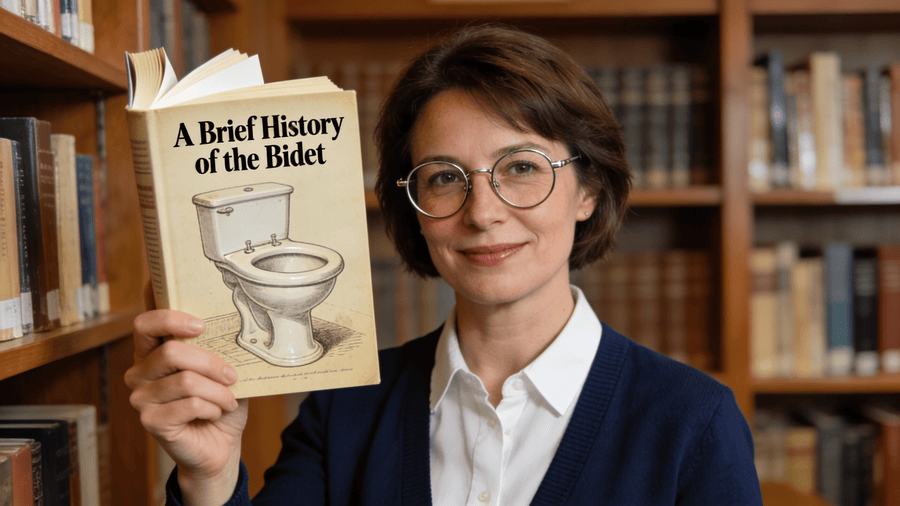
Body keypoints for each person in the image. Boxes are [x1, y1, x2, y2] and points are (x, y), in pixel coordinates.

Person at [125, 24, 762, 506]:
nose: (482, 212)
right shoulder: (345, 410)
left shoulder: (692, 422)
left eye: (521, 168)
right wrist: (208, 476)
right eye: (444, 178)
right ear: (414, 204)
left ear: (588, 191)